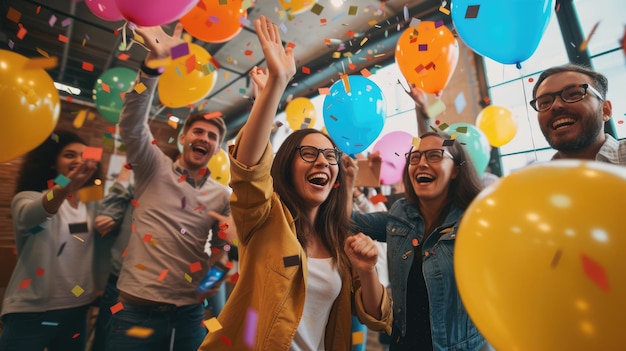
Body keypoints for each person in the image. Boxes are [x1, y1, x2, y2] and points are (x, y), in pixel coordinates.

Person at [198, 15, 392, 350]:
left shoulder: (340, 241)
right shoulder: (263, 219)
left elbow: (377, 316)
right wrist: (277, 82)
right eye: (308, 153)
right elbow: (248, 169)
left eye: (329, 156)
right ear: (286, 167)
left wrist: (367, 269)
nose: (322, 161)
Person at [105, 23, 235, 351]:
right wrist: (152, 66)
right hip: (134, 310)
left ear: (216, 149)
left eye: (211, 136)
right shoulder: (152, 167)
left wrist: (214, 278)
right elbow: (131, 124)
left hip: (188, 315)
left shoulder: (221, 196)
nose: (203, 138)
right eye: (198, 131)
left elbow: (224, 250)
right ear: (183, 137)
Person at [351, 130, 488, 350]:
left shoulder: (477, 222)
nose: (422, 163)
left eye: (434, 156)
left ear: (455, 170)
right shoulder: (401, 215)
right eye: (415, 157)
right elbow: (350, 222)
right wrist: (347, 183)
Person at [0, 130, 108, 351]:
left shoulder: (91, 205)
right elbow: (34, 214)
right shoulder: (29, 197)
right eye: (69, 155)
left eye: (83, 156)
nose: (78, 160)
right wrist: (65, 185)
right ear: (52, 163)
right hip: (31, 310)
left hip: (77, 309)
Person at [530, 63, 626, 164]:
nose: (556, 105)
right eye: (544, 103)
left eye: (573, 94)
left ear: (605, 110)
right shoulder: (538, 178)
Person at [91, 164, 134, 351]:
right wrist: (124, 175)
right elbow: (104, 217)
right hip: (115, 284)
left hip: (147, 290)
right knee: (105, 339)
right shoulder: (136, 191)